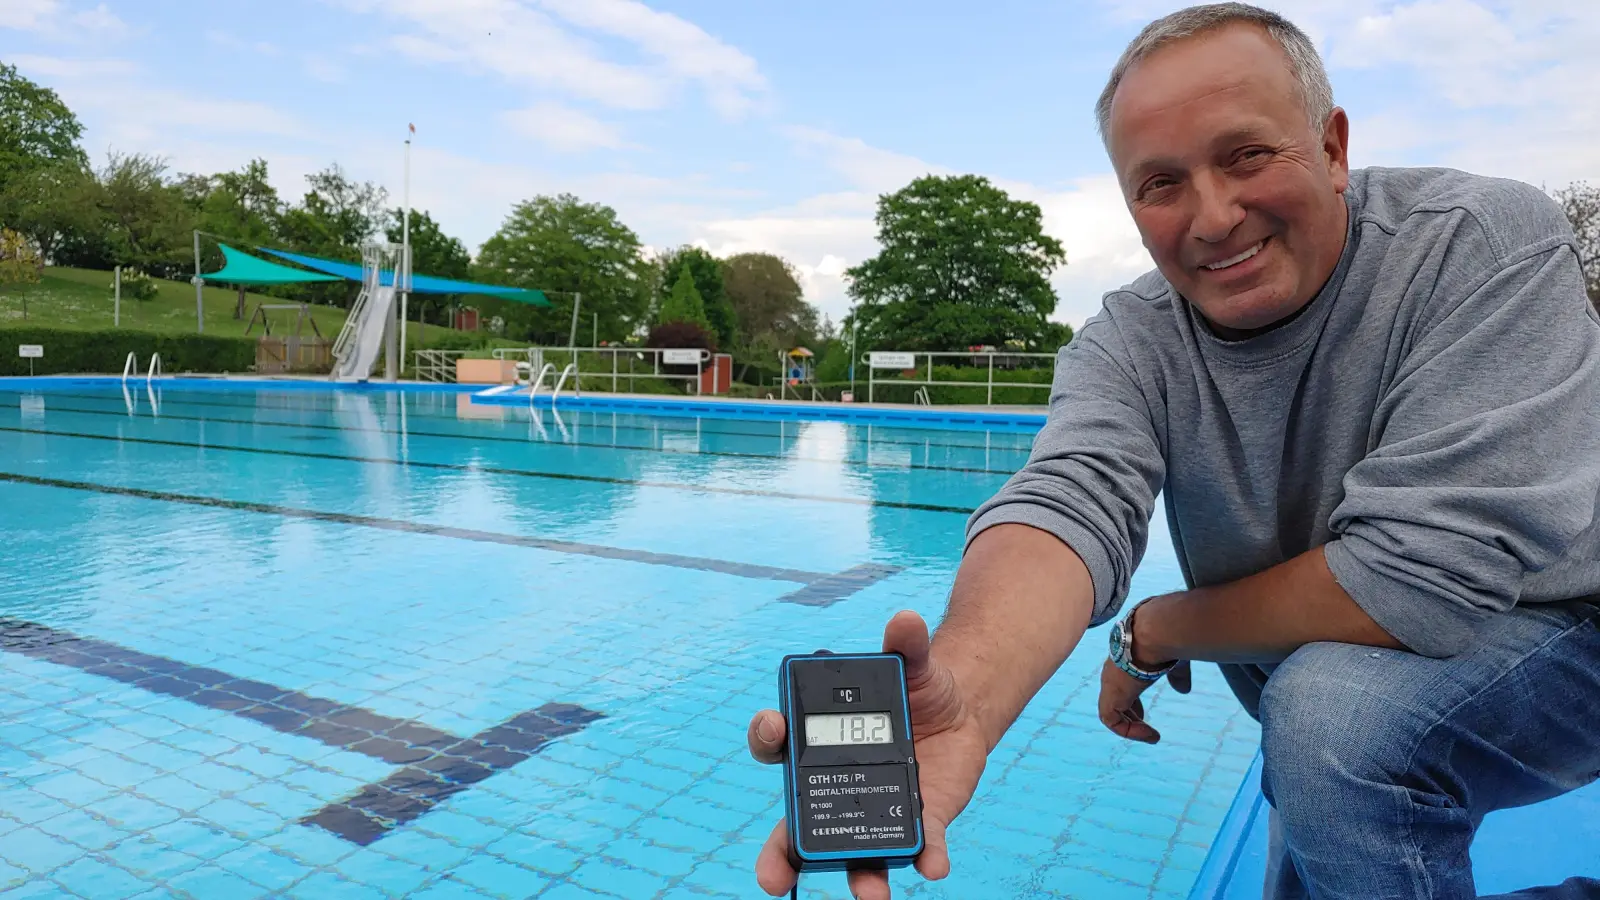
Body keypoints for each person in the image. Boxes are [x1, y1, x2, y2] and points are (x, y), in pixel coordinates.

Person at [746, 4, 1600, 899]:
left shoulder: (1478, 244)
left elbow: (1419, 581)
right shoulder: (1132, 340)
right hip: (1329, 677)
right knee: (1317, 762)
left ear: (1334, 147)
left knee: (1327, 724)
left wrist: (1157, 630)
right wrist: (966, 690)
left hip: (1564, 628)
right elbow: (1068, 501)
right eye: (1160, 184)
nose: (1213, 216)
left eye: (1246, 155)